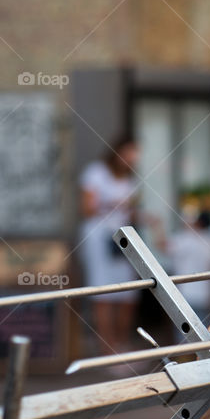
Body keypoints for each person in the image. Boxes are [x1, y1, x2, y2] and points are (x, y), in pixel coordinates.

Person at [78, 134, 140, 353]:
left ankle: (122, 342)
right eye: (130, 152)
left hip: (121, 238)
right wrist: (113, 203)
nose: (133, 158)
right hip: (98, 237)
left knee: (127, 292)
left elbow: (131, 213)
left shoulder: (130, 179)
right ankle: (107, 346)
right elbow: (86, 209)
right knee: (102, 291)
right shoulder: (96, 173)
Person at [167, 211, 210, 323]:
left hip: (184, 294)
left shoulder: (185, 239)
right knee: (204, 328)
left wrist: (156, 226)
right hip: (206, 295)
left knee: (183, 329)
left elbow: (162, 246)